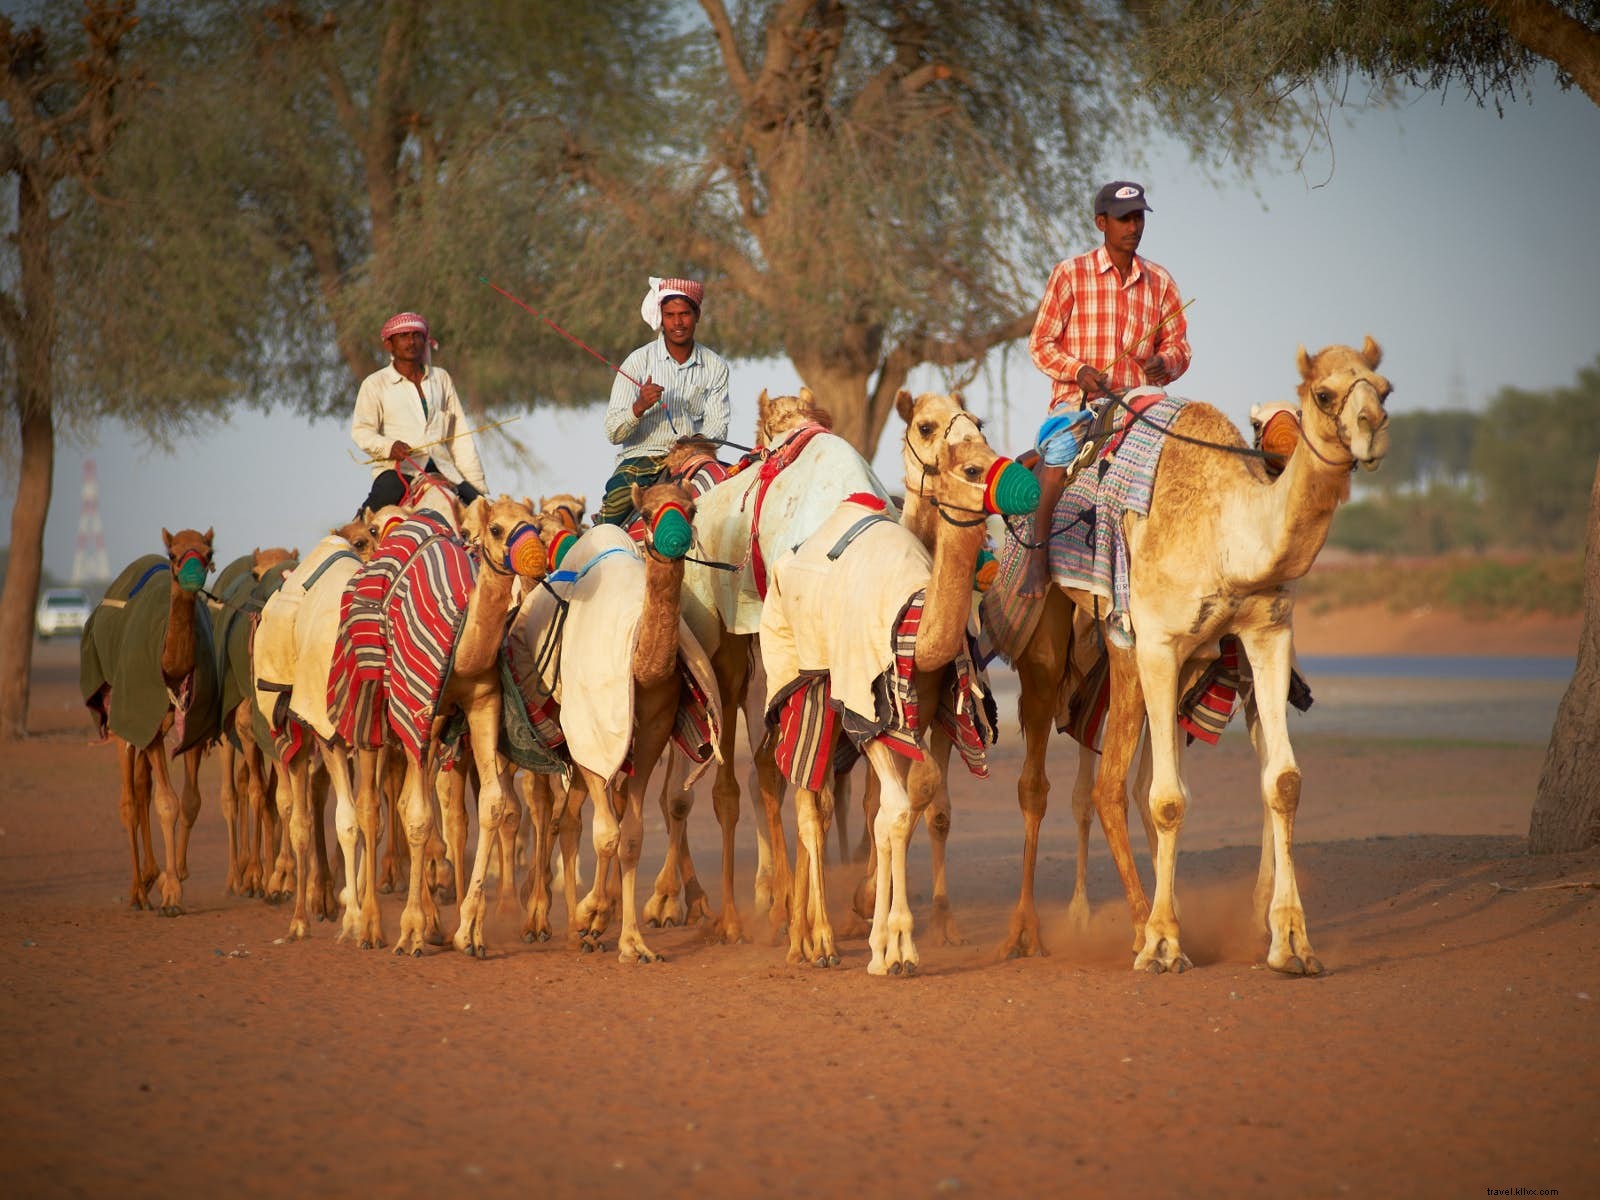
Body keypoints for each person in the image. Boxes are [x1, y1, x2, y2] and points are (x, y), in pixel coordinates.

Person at [1020, 180, 1191, 597]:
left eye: (1138, 218)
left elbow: (1180, 346)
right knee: (1059, 456)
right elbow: (1040, 344)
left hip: (1141, 404)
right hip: (1080, 403)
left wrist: (1164, 362)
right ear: (1102, 223)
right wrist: (1078, 371)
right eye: (1123, 218)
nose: (1133, 227)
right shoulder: (1070, 274)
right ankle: (1037, 561)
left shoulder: (1161, 282)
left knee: (1186, 452)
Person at [599, 276, 731, 524]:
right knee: (615, 505)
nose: (678, 323)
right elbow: (613, 432)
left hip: (692, 459)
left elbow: (718, 426)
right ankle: (596, 549)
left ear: (697, 315)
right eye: (670, 315)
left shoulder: (716, 366)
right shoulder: (638, 361)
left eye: (684, 314)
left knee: (731, 492)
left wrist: (695, 442)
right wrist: (639, 407)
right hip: (641, 461)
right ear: (661, 317)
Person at [351, 311, 488, 518]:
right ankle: (351, 537)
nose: (411, 341)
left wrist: (477, 488)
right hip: (399, 471)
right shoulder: (375, 384)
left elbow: (460, 437)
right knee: (369, 521)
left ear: (424, 341)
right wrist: (389, 446)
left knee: (487, 515)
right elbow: (362, 431)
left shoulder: (441, 378)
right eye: (403, 336)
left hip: (443, 469)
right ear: (389, 344)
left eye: (417, 336)